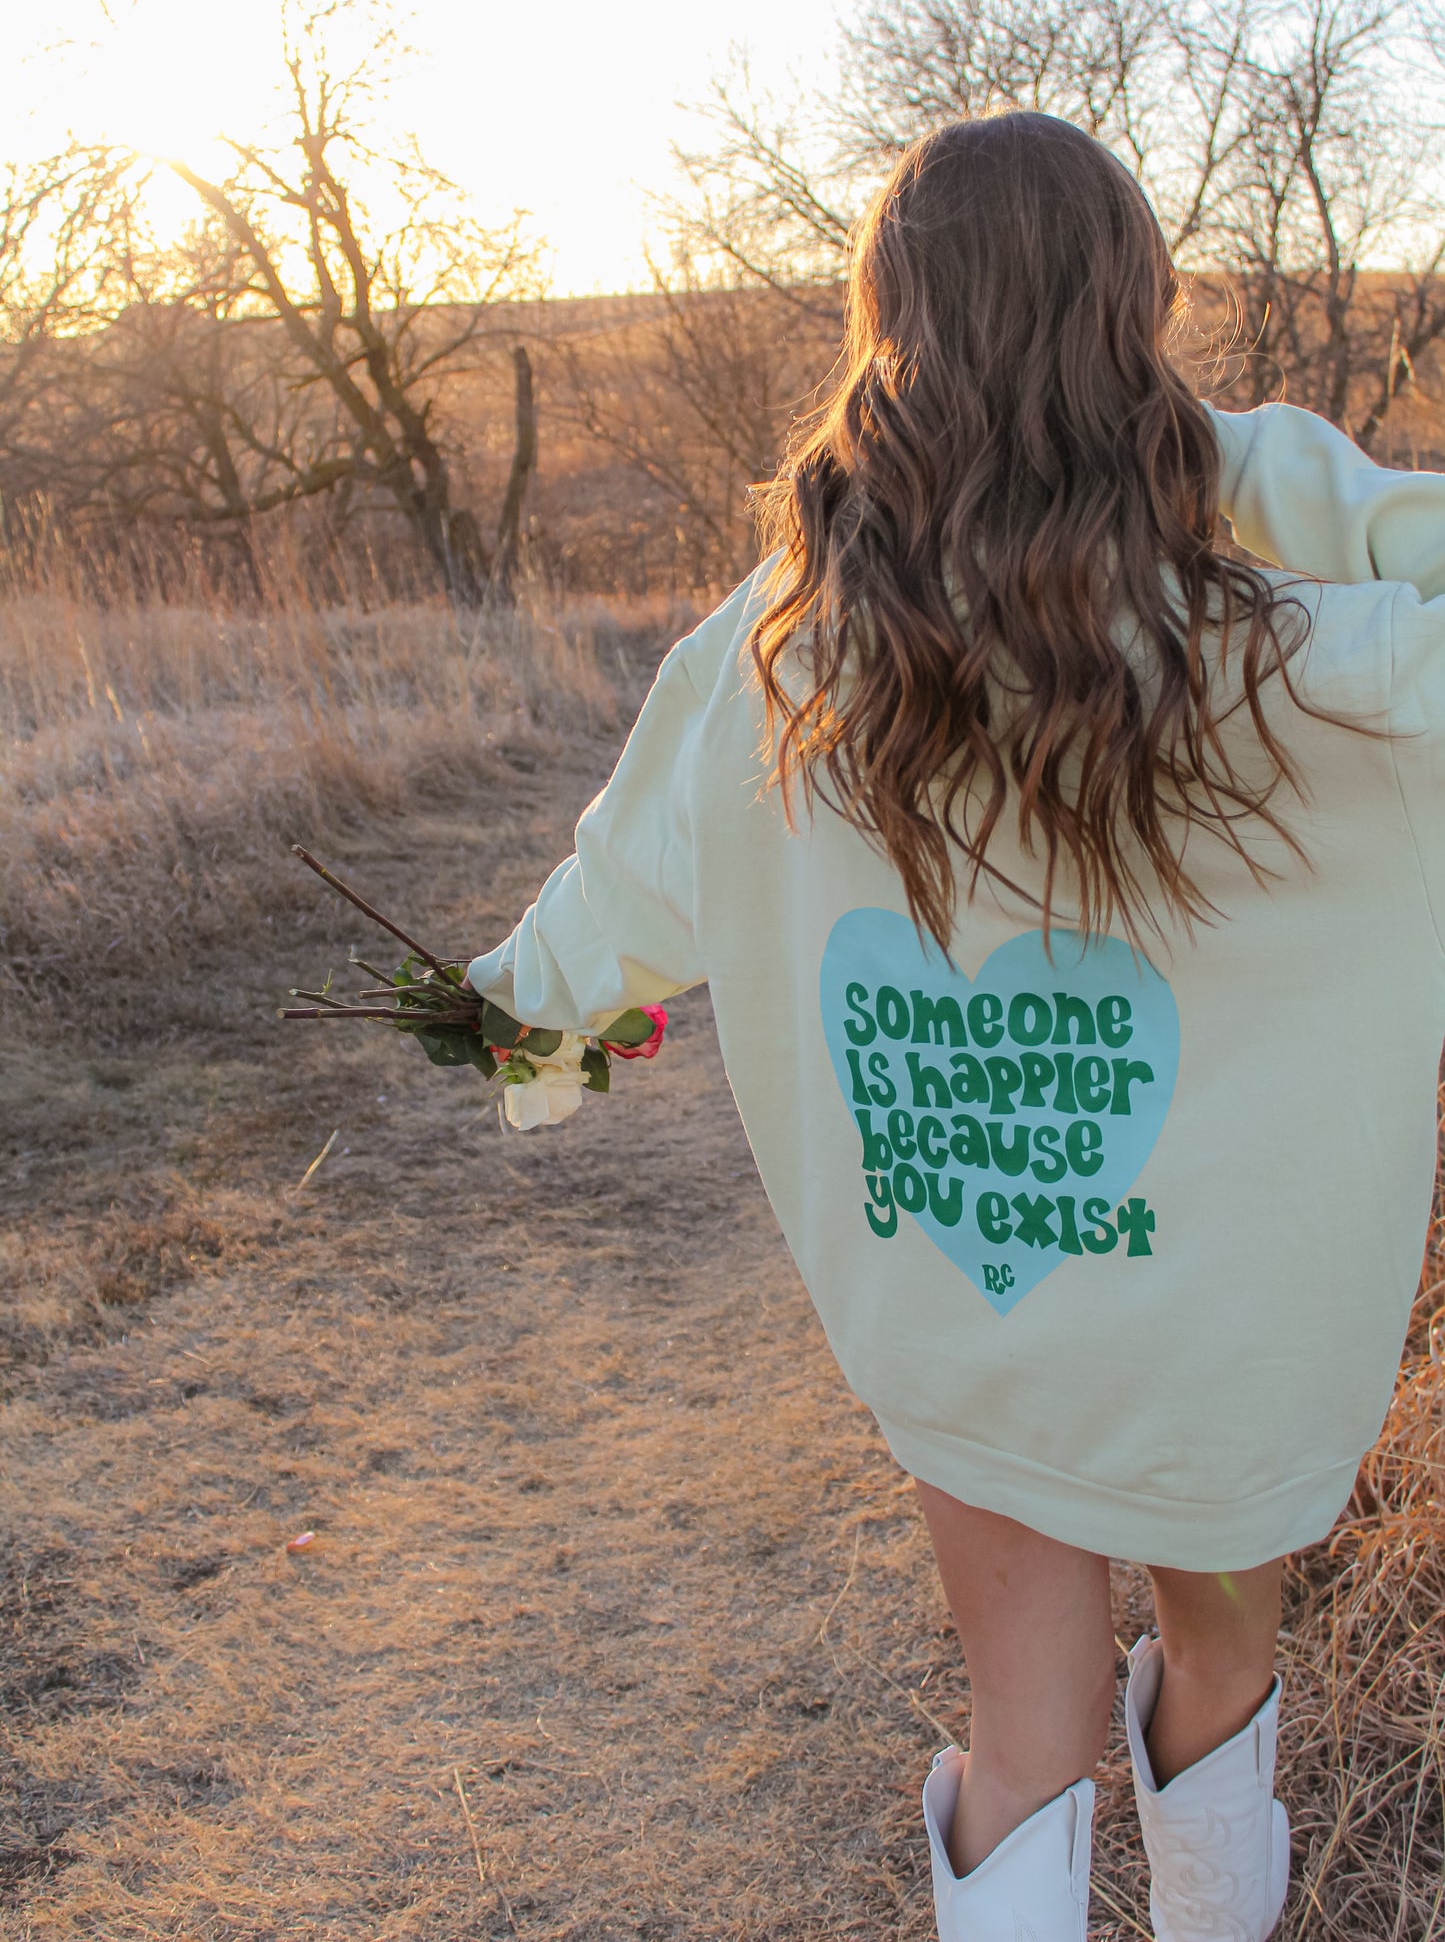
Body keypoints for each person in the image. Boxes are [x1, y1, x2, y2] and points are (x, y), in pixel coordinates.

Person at [465, 113, 1445, 1942]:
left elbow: (619, 876)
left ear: (883, 318)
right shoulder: (1307, 654)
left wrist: (516, 1021)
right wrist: (1240, 468)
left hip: (972, 1293)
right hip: (1228, 1307)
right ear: (1134, 307)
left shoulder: (786, 645)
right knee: (1219, 1669)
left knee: (1023, 1730)